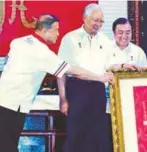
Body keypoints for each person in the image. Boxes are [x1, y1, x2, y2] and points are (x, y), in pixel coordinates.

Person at [0, 14, 113, 152]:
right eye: (56, 30)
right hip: (11, 106)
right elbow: (73, 71)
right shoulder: (42, 53)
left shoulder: (19, 42)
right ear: (45, 30)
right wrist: (101, 78)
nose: (58, 34)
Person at [57, 4, 139, 152]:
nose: (98, 25)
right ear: (85, 18)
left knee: (97, 135)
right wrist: (63, 98)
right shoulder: (70, 39)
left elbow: (109, 65)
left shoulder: (104, 40)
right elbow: (62, 71)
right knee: (75, 134)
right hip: (77, 90)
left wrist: (123, 65)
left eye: (101, 21)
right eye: (95, 20)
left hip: (97, 92)